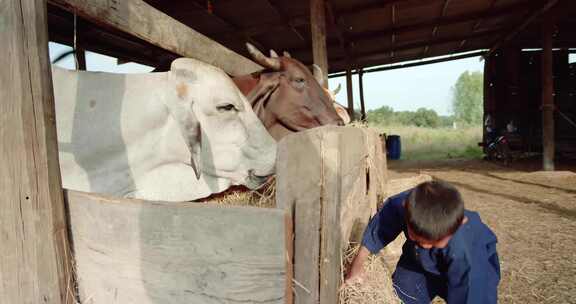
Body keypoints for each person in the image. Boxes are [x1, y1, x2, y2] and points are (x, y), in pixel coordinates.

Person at [343, 181, 500, 303]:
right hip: (418, 262)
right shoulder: (409, 204)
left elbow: (470, 293)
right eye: (417, 238)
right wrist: (357, 264)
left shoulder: (466, 253)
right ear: (407, 210)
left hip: (470, 275)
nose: (426, 245)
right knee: (401, 296)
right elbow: (381, 226)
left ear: (461, 222)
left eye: (435, 243)